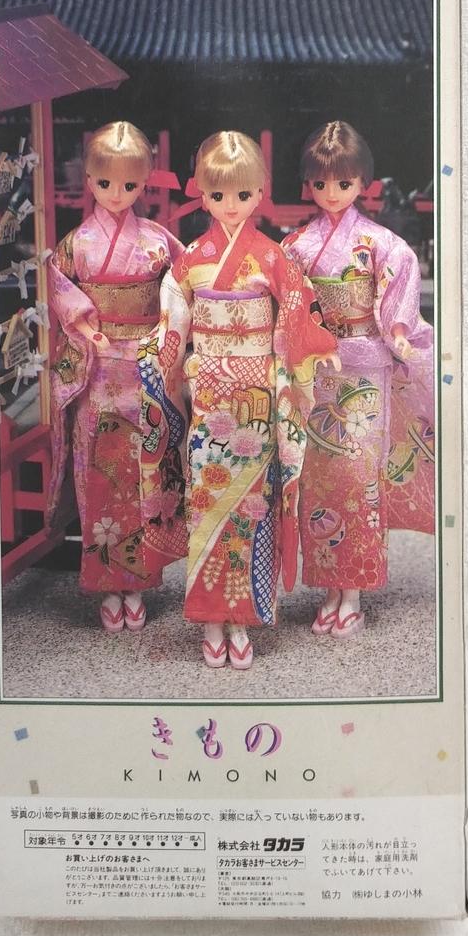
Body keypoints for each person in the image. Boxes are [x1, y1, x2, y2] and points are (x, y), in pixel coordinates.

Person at [139, 131, 338, 669]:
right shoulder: (190, 261)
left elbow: (296, 315)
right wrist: (161, 356)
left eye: (243, 195)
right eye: (219, 195)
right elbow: (173, 320)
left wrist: (306, 358)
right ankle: (210, 618)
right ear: (202, 195)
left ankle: (243, 617)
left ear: (260, 193)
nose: (231, 205)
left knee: (254, 505)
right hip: (209, 394)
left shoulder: (273, 257)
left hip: (256, 394)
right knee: (207, 501)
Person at [282, 121, 435, 638]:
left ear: (362, 183)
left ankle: (354, 591)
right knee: (319, 481)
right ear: (309, 183)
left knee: (359, 480)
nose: (332, 193)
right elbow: (290, 309)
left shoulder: (381, 244)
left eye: (343, 183)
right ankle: (329, 587)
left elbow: (398, 295)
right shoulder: (295, 247)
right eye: (321, 183)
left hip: (365, 366)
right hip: (316, 372)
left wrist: (398, 332)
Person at [45, 122, 186, 633]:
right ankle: (109, 585)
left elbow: (182, 288)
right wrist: (85, 325)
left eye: (129, 184)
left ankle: (139, 582)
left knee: (145, 471)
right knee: (100, 475)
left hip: (147, 365)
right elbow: (59, 286)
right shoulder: (77, 244)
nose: (117, 193)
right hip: (98, 367)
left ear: (144, 182)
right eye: (105, 183)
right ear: (89, 180)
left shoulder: (159, 242)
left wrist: (167, 336)